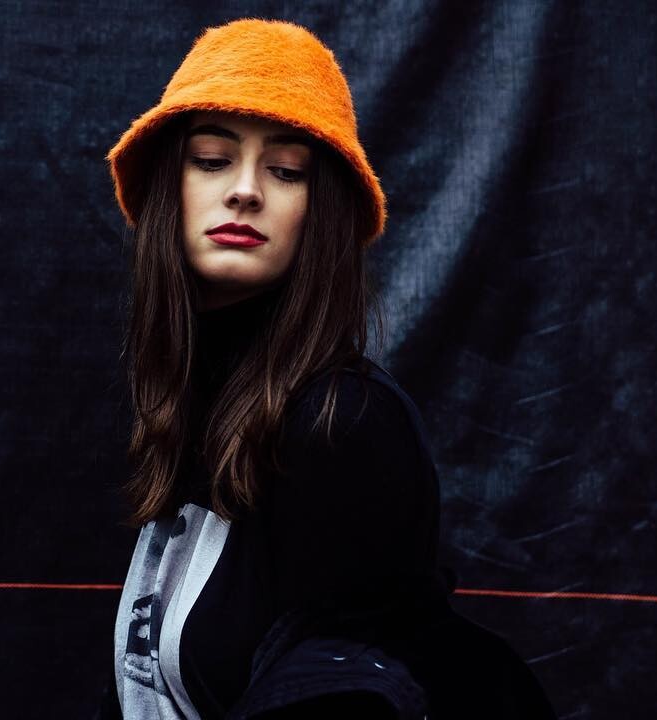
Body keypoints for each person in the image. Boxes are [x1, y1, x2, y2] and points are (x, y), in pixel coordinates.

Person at [97, 18, 556, 720]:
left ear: (321, 213)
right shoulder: (188, 413)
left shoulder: (340, 426)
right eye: (212, 159)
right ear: (168, 188)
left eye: (286, 171)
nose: (245, 190)